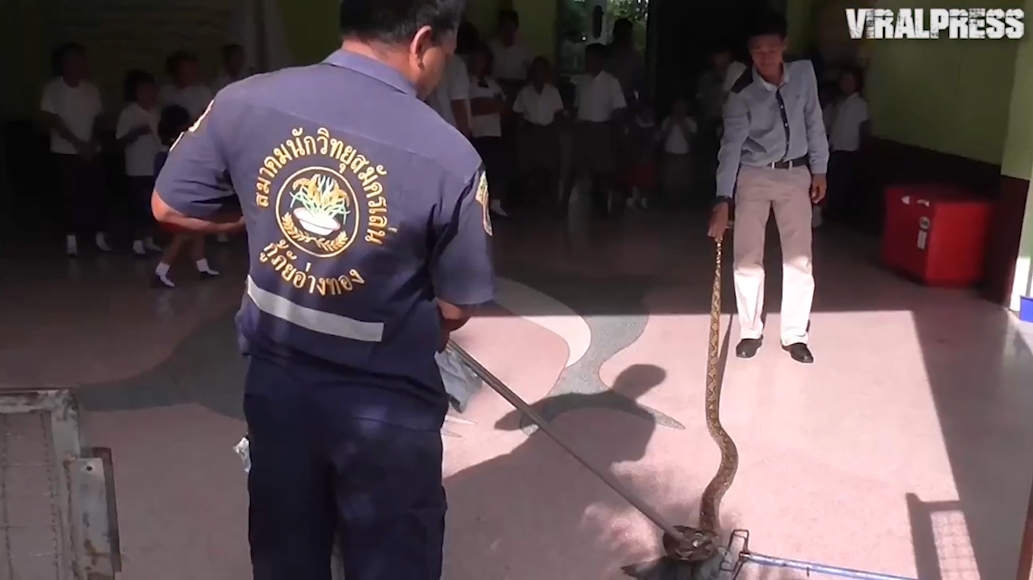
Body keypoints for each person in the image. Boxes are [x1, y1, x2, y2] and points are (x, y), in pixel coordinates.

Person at [150, 0, 494, 577]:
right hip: (388, 409)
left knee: (288, 552)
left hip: (277, 389)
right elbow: (457, 304)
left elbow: (168, 205)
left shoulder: (245, 100)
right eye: (446, 55)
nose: (440, 70)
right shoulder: (450, 155)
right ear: (422, 42)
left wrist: (248, 218)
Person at [707, 11, 829, 364]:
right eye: (758, 51)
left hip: (796, 173)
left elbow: (814, 122)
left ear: (784, 46)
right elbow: (730, 148)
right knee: (747, 256)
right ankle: (750, 330)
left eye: (772, 50)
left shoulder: (804, 75)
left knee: (800, 257)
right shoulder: (740, 93)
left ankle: (794, 335)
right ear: (749, 52)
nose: (765, 58)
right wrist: (722, 199)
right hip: (754, 175)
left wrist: (819, 170)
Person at [40, 42, 111, 257]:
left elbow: (99, 117)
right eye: (70, 61)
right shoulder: (53, 89)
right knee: (69, 195)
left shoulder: (91, 89)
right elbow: (52, 119)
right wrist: (76, 142)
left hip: (92, 149)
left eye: (79, 60)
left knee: (96, 193)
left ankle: (99, 236)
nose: (76, 65)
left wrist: (90, 142)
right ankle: (71, 239)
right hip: (65, 151)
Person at [150, 105, 220, 288]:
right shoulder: (176, 148)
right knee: (185, 233)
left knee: (198, 230)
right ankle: (161, 271)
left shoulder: (168, 148)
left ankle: (202, 267)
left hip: (176, 198)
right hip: (177, 201)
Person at [572, 42, 626, 217]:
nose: (588, 61)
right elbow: (577, 106)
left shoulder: (611, 82)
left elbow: (619, 109)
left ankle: (603, 207)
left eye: (592, 58)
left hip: (602, 128)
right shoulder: (581, 81)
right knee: (584, 169)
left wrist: (616, 133)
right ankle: (591, 206)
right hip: (584, 128)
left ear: (601, 60)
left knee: (603, 170)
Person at [115, 69, 163, 257]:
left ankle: (149, 239)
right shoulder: (129, 113)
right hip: (137, 167)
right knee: (138, 205)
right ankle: (136, 242)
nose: (149, 93)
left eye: (151, 89)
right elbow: (119, 141)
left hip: (155, 165)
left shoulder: (156, 112)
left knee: (151, 207)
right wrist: (136, 132)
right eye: (144, 90)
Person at [513, 56, 565, 209]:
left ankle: (552, 202)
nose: (539, 74)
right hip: (531, 131)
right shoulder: (524, 92)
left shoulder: (553, 92)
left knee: (551, 169)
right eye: (536, 71)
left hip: (548, 131)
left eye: (543, 71)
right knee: (529, 169)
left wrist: (557, 134)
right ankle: (531, 203)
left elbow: (558, 115)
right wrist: (519, 136)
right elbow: (520, 116)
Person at [822, 66, 869, 227]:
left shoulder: (860, 104)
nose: (846, 84)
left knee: (842, 185)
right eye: (844, 81)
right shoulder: (837, 103)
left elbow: (864, 129)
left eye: (850, 81)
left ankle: (839, 218)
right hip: (834, 148)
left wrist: (862, 151)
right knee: (832, 183)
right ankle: (830, 215)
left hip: (850, 150)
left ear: (857, 83)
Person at [467, 44, 509, 217]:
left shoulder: (493, 83)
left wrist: (485, 104)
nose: (480, 63)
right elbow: (472, 107)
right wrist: (490, 104)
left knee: (497, 170)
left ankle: (496, 206)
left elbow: (504, 105)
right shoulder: (466, 81)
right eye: (477, 59)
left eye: (483, 59)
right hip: (476, 133)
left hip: (494, 132)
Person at [658, 98, 696, 208]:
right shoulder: (667, 120)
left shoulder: (690, 122)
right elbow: (662, 137)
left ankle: (680, 205)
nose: (679, 110)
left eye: (681, 107)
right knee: (669, 181)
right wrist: (671, 124)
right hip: (669, 154)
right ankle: (670, 204)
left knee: (682, 181)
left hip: (683, 155)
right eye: (676, 107)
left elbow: (691, 139)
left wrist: (682, 124)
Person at [488, 9, 533, 100]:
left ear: (516, 28)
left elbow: (534, 69)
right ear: (499, 28)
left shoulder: (524, 46)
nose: (508, 32)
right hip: (496, 90)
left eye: (511, 28)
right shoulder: (491, 46)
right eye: (505, 28)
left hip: (518, 91)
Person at [159, 50, 213, 122]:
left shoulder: (204, 93)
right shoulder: (165, 93)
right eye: (187, 68)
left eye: (192, 68)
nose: (192, 72)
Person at [623, 102, 657, 210]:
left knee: (647, 180)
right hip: (635, 157)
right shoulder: (633, 124)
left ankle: (644, 200)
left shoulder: (653, 126)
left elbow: (656, 141)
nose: (648, 115)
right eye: (646, 112)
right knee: (635, 180)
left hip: (648, 157)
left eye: (650, 113)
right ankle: (635, 199)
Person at [607, 18, 645, 109]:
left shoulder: (635, 57)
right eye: (621, 33)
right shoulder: (605, 54)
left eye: (626, 33)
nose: (623, 36)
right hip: (606, 100)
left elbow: (641, 84)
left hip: (627, 102)